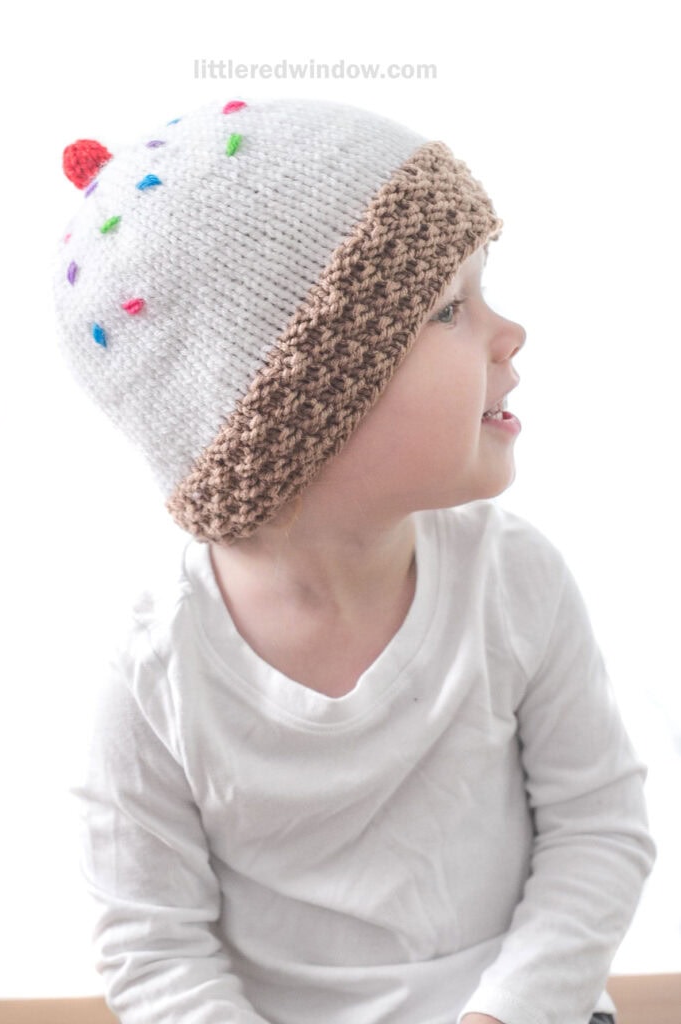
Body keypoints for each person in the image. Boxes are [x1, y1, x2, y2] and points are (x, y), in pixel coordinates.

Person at [53, 96, 655, 1024]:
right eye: (451, 308)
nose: (509, 335)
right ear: (306, 417)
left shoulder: (515, 579)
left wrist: (506, 1013)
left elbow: (600, 830)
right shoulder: (154, 671)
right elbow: (153, 944)